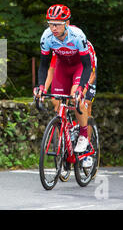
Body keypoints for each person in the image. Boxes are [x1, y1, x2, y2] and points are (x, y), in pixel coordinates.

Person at [33, 4, 93, 158]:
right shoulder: (46, 37)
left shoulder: (77, 36)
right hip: (62, 66)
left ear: (66, 23)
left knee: (76, 97)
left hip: (80, 65)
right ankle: (65, 138)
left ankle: (83, 135)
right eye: (51, 24)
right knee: (56, 101)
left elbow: (87, 66)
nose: (53, 28)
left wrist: (81, 88)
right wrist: (40, 86)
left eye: (57, 24)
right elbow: (44, 65)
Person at [43, 37, 97, 167]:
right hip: (66, 71)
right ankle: (64, 144)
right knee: (57, 104)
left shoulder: (84, 47)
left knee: (82, 103)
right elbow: (51, 69)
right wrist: (44, 89)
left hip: (86, 72)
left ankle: (86, 149)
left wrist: (81, 93)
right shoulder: (58, 49)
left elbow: (91, 74)